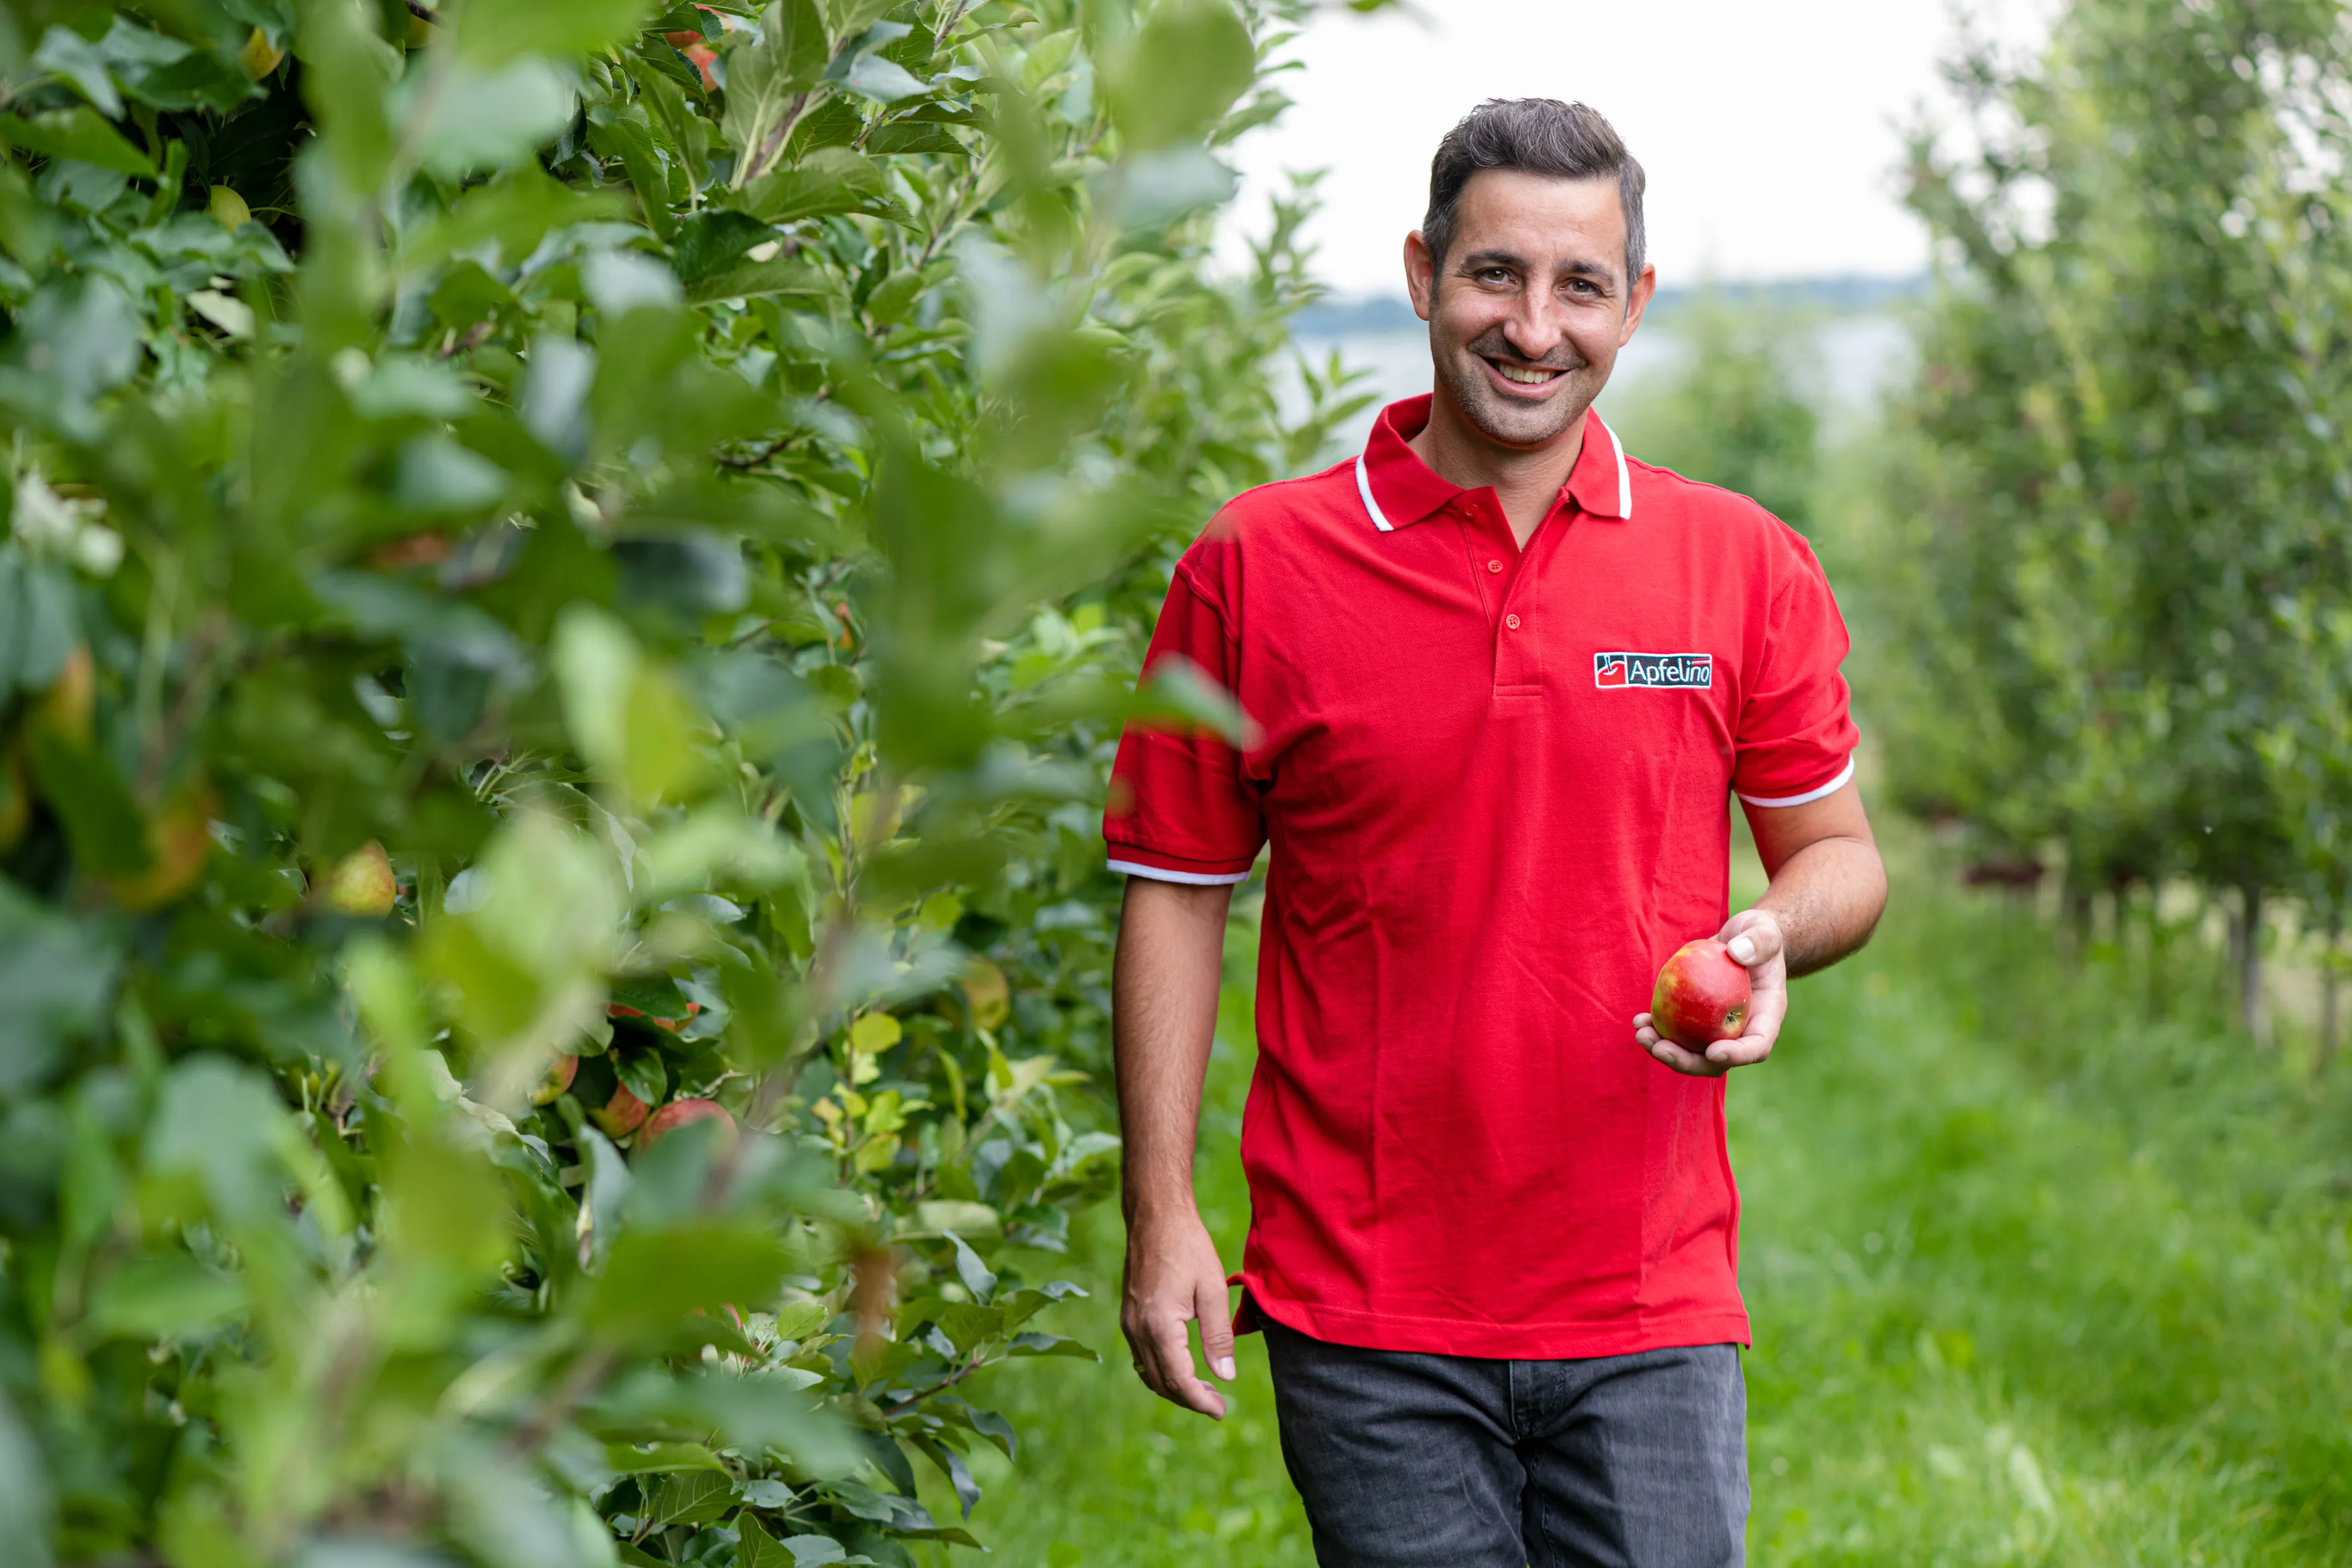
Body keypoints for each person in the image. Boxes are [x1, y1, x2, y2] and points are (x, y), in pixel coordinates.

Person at [1101, 98, 1887, 1567]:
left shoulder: (1737, 562)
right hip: (1366, 1298)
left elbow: (1836, 853)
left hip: (1647, 1294)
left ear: (1633, 303)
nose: (1534, 328)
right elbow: (1175, 890)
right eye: (1493, 276)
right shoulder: (1254, 565)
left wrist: (1775, 932)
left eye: (1580, 285)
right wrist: (1161, 1214)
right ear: (1420, 273)